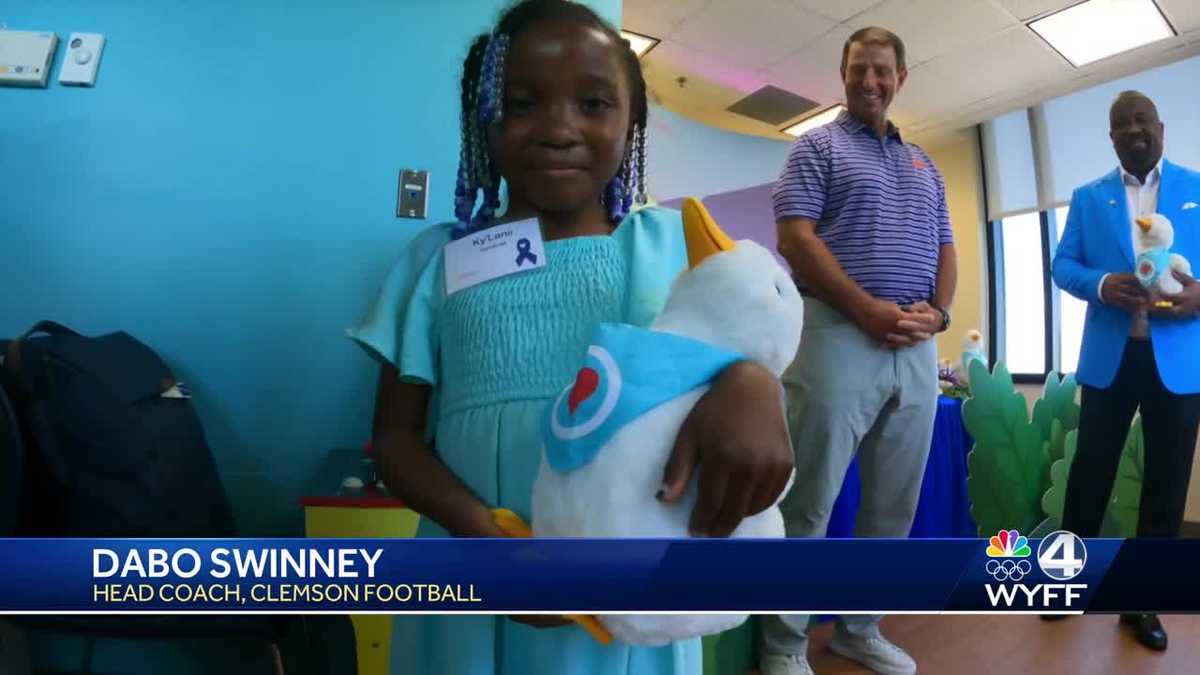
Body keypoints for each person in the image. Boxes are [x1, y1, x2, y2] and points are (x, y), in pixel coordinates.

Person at [348, 2, 794, 673]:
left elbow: (751, 345)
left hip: (634, 595)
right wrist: (482, 538)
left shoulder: (675, 246)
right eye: (524, 103)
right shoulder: (435, 263)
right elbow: (394, 439)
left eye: (593, 103)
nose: (559, 129)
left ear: (631, 121)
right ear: (484, 117)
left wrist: (751, 382)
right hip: (473, 583)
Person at [759, 26, 956, 675]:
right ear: (843, 75)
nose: (869, 82)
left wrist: (941, 311)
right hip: (838, 335)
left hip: (916, 349)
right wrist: (864, 307)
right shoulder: (816, 147)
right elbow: (794, 236)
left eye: (882, 71)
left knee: (892, 503)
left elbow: (946, 249)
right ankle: (782, 643)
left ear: (901, 78)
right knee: (810, 496)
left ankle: (857, 627)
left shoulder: (925, 164)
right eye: (858, 70)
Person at [1051, 90, 1200, 652]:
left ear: (1161, 127)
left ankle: (1141, 602)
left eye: (1142, 121)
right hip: (1110, 360)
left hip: (1179, 364)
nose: (1134, 131)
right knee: (1089, 475)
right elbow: (1063, 264)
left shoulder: (1196, 187)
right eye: (1122, 125)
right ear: (1111, 137)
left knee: (1165, 486)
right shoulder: (1090, 197)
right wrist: (1100, 284)